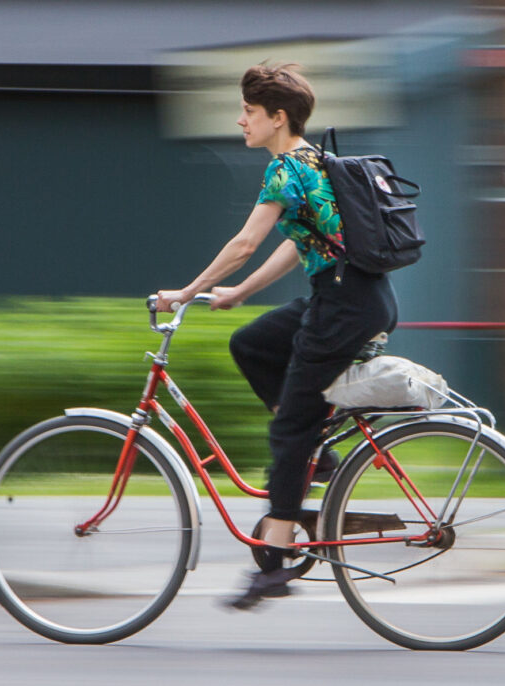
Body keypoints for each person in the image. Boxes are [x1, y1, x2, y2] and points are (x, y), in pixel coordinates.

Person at [155, 63, 398, 610]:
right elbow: (300, 242)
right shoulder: (315, 162)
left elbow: (246, 242)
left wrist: (186, 290)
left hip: (342, 308)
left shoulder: (285, 170)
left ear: (277, 117)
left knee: (289, 429)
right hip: (353, 300)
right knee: (252, 343)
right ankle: (319, 449)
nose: (240, 120)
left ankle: (276, 564)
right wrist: (239, 293)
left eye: (249, 111)